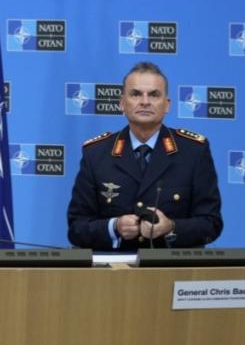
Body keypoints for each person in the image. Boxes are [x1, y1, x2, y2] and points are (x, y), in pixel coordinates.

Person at [67, 62, 222, 251]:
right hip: (114, 273)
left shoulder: (194, 151)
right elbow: (76, 228)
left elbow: (211, 224)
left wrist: (171, 227)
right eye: (136, 94)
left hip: (171, 269)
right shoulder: (96, 153)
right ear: (122, 103)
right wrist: (114, 227)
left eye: (154, 94)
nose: (145, 101)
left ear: (167, 105)